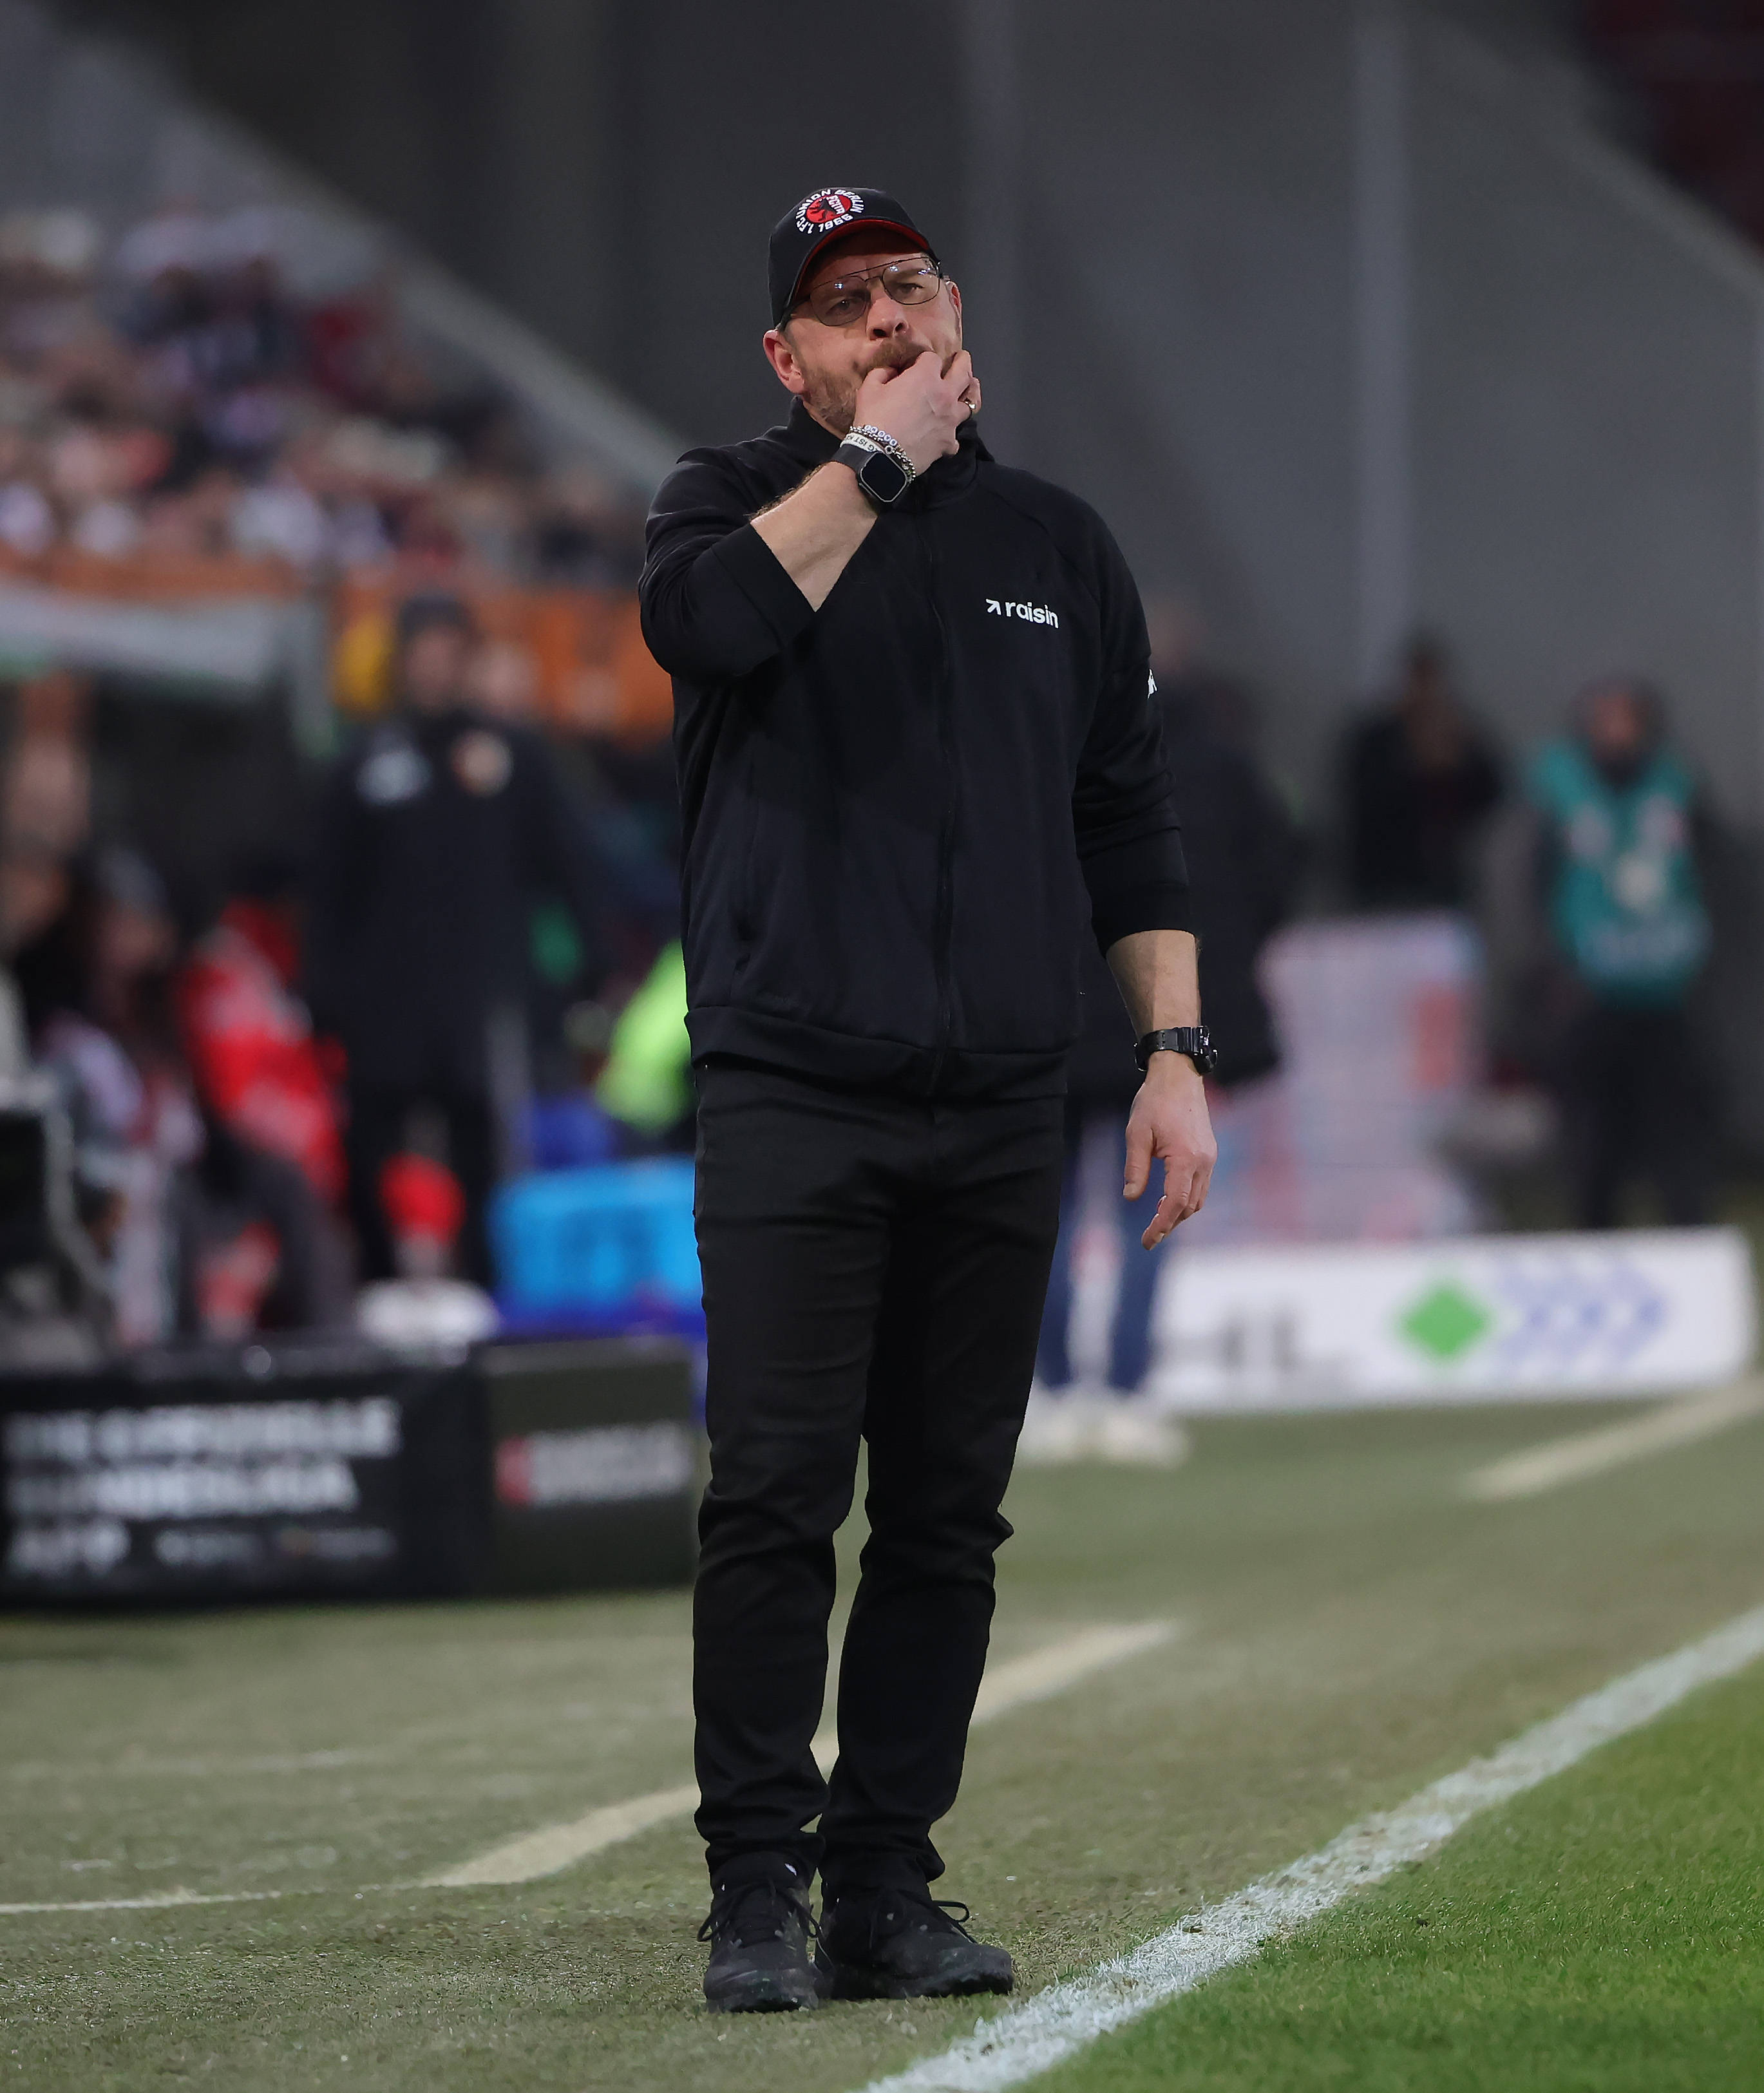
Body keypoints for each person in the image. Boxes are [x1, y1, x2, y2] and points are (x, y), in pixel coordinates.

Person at [640, 185, 1215, 2013]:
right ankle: (755, 1889)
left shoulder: (1060, 541)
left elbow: (1126, 814)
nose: (884, 316)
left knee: (949, 1513)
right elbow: (708, 630)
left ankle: (885, 1886)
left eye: (906, 284)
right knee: (774, 1493)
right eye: (842, 302)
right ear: (786, 356)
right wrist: (874, 464)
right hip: (793, 1082)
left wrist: (1173, 1055)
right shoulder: (723, 500)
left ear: (955, 307)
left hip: (1001, 1099)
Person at [1029, 663, 1303, 1457]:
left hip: (1047, 1021)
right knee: (1148, 1215)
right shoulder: (1216, 766)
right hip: (1157, 1023)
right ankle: (1126, 1393)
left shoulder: (1039, 751)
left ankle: (1050, 1393)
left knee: (1042, 1217)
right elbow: (1276, 872)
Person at [306, 591, 604, 1287]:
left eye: (448, 653)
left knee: (484, 1158)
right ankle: (380, 1289)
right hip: (384, 1010)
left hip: (479, 1004)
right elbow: (328, 893)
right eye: (423, 654)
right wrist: (323, 997)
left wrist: (587, 972)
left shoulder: (513, 757)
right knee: (374, 1158)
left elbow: (571, 868)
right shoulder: (362, 766)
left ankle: (484, 1293)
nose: (435, 668)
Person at [1528, 677, 1715, 1228]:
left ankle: (1688, 1240)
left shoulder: (1675, 786)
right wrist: (1548, 965)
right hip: (1590, 988)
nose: (1616, 732)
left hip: (1666, 987)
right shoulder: (1559, 792)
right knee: (1594, 1135)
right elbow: (1531, 884)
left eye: (1626, 719)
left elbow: (1712, 873)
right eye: (1605, 719)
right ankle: (1595, 1237)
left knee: (1675, 1127)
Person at [1343, 635, 1502, 910]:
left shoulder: (1458, 734)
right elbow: (1363, 802)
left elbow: (1493, 795)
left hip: (1447, 882)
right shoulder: (1376, 738)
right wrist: (1415, 764)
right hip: (1383, 884)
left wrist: (1462, 760)